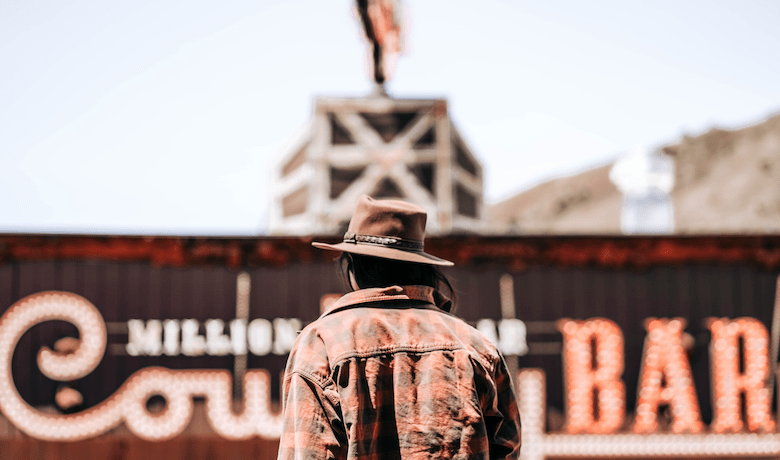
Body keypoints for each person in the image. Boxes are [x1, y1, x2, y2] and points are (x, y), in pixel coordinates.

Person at [278, 195, 521, 459]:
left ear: (353, 265)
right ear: (422, 266)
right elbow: (507, 449)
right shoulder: (476, 346)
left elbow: (309, 452)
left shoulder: (323, 341)